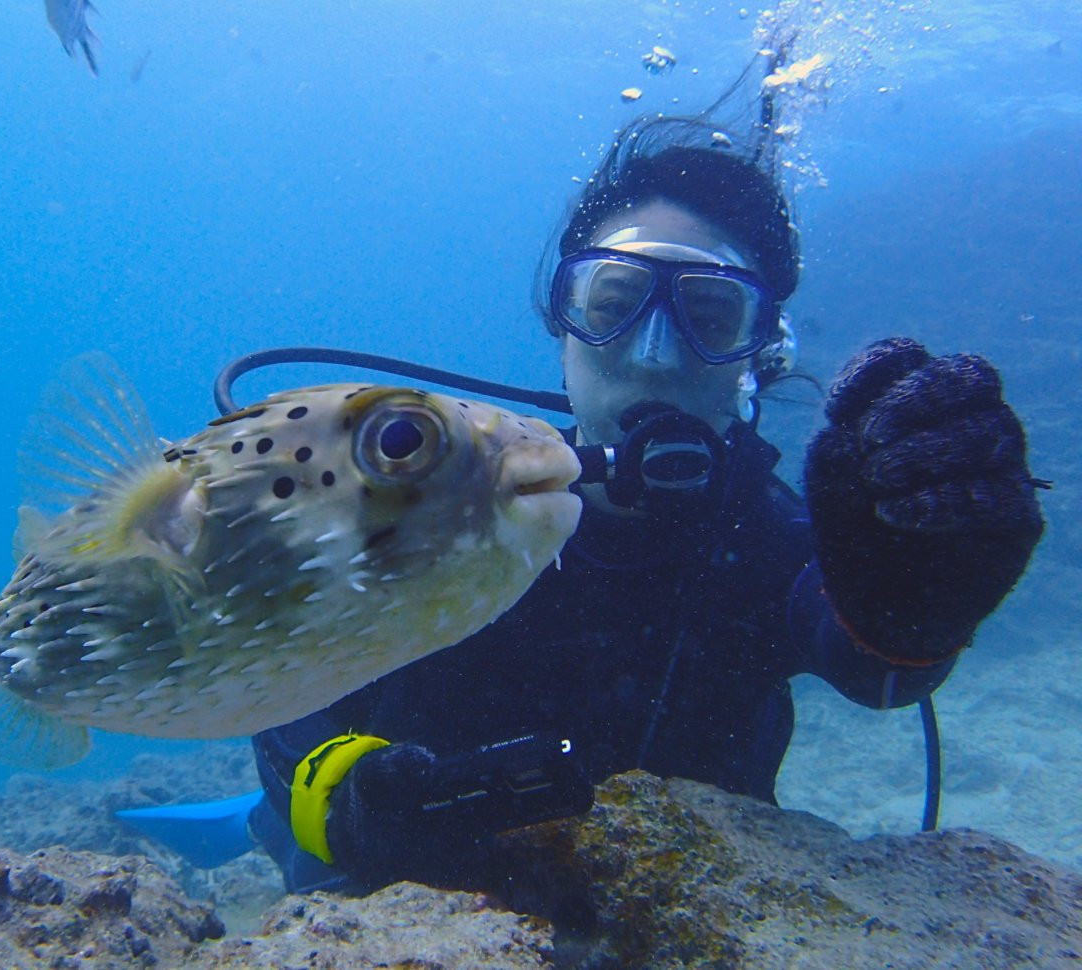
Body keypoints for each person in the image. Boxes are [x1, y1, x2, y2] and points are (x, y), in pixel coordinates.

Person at [121, 61, 1045, 892]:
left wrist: (918, 591)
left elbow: (871, 662)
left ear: (756, 357)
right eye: (612, 303)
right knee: (278, 827)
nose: (650, 355)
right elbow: (288, 705)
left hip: (676, 917)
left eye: (710, 316)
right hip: (402, 906)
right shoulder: (423, 507)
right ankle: (241, 827)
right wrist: (352, 800)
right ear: (561, 328)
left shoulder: (758, 530)